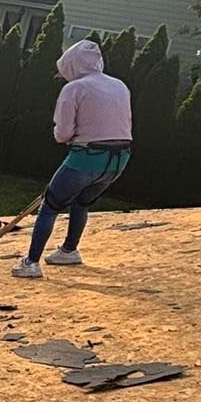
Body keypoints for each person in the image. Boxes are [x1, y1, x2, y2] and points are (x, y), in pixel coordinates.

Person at [14, 39, 133, 278]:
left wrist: (65, 135)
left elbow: (63, 134)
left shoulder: (74, 89)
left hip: (87, 158)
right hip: (119, 160)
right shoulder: (120, 85)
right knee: (81, 202)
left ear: (71, 66)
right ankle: (69, 251)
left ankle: (31, 263)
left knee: (50, 205)